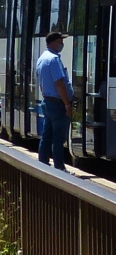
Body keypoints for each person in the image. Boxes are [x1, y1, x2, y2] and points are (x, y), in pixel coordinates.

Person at [36, 31, 74, 170]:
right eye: (60, 41)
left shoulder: (42, 59)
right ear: (52, 42)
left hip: (47, 101)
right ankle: (59, 168)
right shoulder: (53, 59)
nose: (62, 44)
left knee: (47, 135)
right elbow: (59, 83)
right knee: (58, 137)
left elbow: (41, 83)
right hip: (57, 104)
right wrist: (67, 104)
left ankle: (43, 164)